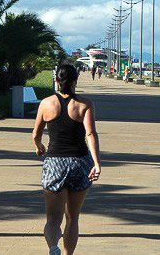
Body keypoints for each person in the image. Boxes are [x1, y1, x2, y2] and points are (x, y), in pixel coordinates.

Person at [32, 63, 101, 255]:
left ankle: (54, 248)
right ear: (75, 81)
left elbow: (36, 134)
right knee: (73, 217)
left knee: (53, 220)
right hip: (80, 162)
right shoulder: (84, 104)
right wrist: (96, 163)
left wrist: (39, 147)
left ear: (56, 80)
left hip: (54, 163)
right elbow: (91, 134)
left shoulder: (46, 104)